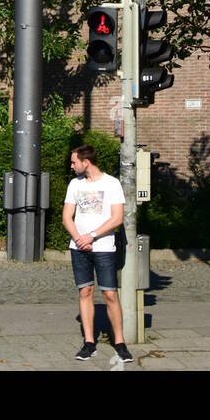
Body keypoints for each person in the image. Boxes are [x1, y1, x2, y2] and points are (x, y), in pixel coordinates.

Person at [63, 144, 133, 364]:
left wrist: (91, 236)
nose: (71, 165)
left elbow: (117, 218)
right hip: (79, 248)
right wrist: (79, 239)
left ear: (86, 162)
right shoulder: (75, 184)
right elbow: (67, 217)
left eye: (74, 162)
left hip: (103, 247)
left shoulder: (112, 184)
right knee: (85, 291)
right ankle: (89, 342)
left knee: (110, 294)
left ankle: (120, 343)